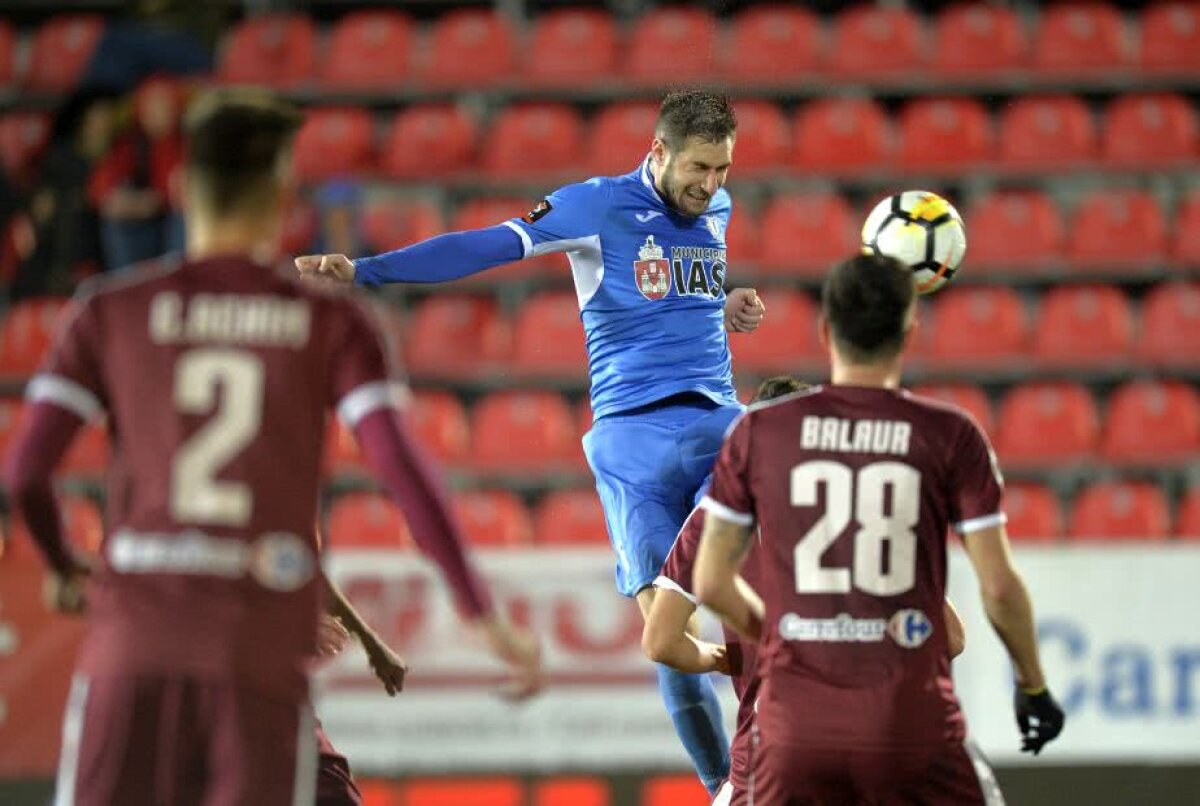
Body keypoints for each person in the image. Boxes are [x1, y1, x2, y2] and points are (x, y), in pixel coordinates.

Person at [4, 89, 539, 806]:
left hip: (133, 650)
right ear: (283, 192)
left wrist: (65, 564)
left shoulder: (108, 310)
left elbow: (27, 471)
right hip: (256, 662)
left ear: (179, 188)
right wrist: (480, 611)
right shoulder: (329, 320)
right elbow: (402, 468)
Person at [296, 90, 766, 794]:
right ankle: (724, 789)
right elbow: (485, 246)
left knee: (747, 586)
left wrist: (721, 306)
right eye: (700, 167)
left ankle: (787, 741)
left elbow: (675, 295)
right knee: (666, 643)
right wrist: (366, 271)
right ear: (659, 151)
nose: (712, 185)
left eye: (724, 169)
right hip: (631, 446)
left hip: (717, 429)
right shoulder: (594, 206)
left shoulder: (715, 212)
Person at [693, 254, 1064, 803]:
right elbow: (1000, 587)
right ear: (910, 332)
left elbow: (711, 582)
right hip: (908, 724)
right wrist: (1032, 684)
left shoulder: (759, 436)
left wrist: (787, 641)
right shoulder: (949, 434)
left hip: (793, 730)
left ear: (825, 331)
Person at [644, 375, 970, 805]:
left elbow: (661, 642)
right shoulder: (868, 507)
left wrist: (721, 659)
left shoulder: (717, 514)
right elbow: (951, 637)